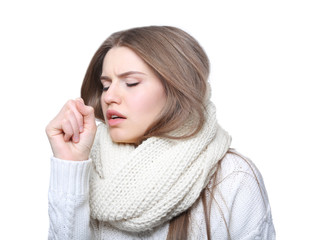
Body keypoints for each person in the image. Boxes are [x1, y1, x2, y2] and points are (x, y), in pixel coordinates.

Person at [46, 26, 275, 239]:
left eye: (131, 82)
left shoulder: (232, 177)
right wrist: (70, 165)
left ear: (178, 89)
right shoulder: (87, 166)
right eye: (106, 85)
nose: (108, 97)